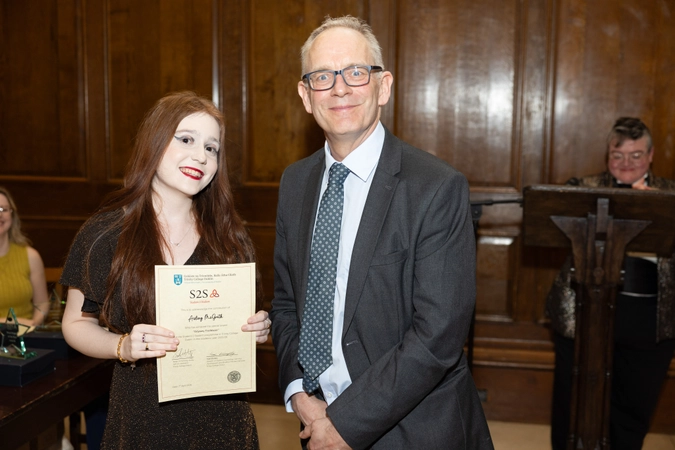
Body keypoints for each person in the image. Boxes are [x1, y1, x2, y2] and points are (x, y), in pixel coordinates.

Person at [270, 16, 493, 449]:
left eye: (355, 72)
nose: (339, 88)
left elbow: (438, 337)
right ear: (305, 95)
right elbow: (285, 305)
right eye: (322, 77)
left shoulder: (436, 187)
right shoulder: (295, 182)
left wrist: (343, 424)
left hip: (412, 428)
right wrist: (300, 393)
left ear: (383, 86)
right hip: (315, 419)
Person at [60, 91, 271, 449]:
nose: (200, 156)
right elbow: (76, 324)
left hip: (224, 424)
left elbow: (244, 321)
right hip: (143, 421)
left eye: (211, 148)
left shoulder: (231, 237)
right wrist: (123, 345)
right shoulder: (105, 233)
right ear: (155, 142)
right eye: (186, 139)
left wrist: (258, 327)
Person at [547, 117, 675, 450]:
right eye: (618, 155)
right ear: (607, 156)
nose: (626, 163)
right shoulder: (584, 187)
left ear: (650, 156)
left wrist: (653, 208)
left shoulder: (670, 194)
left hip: (650, 317)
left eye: (636, 155)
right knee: (572, 401)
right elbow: (552, 210)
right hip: (584, 312)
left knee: (633, 405)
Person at [0, 186, 50, 327]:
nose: (0, 215)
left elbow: (42, 303)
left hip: (24, 338)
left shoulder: (30, 256)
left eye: (3, 209)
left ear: (12, 215)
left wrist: (34, 323)